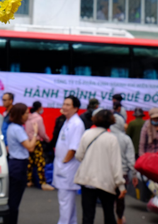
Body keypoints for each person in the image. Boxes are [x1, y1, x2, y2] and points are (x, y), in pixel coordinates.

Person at [75, 109, 126, 224]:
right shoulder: (112, 139)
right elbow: (116, 165)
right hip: (106, 182)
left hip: (87, 180)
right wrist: (121, 185)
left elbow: (79, 156)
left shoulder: (87, 133)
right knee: (108, 214)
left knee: (87, 216)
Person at [54, 95, 85, 224]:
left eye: (68, 105)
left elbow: (73, 148)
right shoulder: (67, 121)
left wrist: (64, 164)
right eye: (64, 104)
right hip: (63, 167)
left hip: (67, 169)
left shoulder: (77, 124)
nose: (64, 107)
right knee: (68, 204)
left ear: (76, 108)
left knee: (65, 203)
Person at [6, 103, 39, 224]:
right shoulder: (17, 129)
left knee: (12, 198)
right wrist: (35, 133)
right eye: (26, 113)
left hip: (14, 163)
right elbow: (30, 147)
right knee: (14, 201)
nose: (28, 115)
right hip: (18, 165)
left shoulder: (11, 127)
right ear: (20, 114)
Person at [109, 109, 137, 224]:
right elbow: (131, 158)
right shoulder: (126, 139)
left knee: (108, 197)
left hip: (108, 172)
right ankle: (120, 218)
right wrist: (134, 174)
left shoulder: (106, 136)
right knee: (120, 197)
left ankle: (109, 217)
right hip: (122, 173)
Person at [26, 101, 53, 191]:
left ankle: (29, 180)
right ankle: (42, 182)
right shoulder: (38, 118)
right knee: (40, 163)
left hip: (27, 142)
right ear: (39, 108)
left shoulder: (28, 117)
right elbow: (42, 132)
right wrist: (47, 140)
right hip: (36, 142)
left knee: (30, 162)